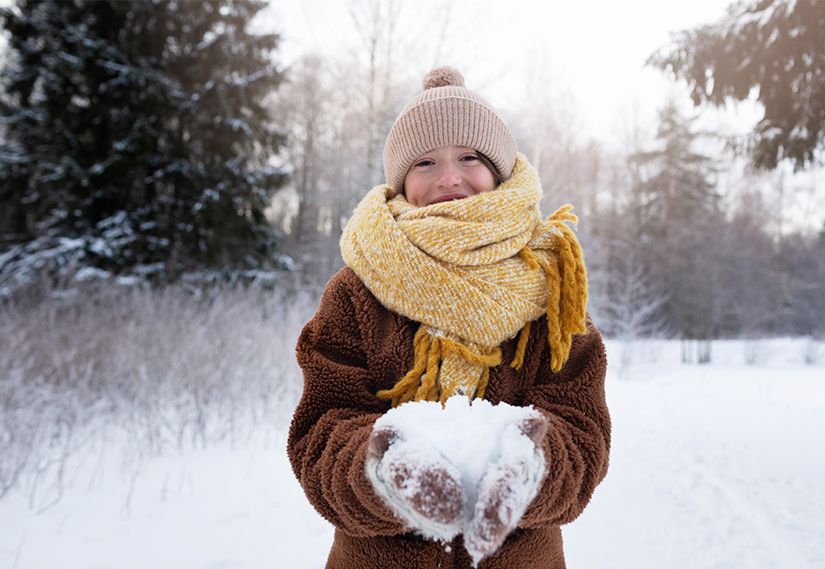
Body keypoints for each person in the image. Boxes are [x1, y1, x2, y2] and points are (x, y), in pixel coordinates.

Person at [287, 66, 610, 569]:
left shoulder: (552, 287)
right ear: (401, 180)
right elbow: (321, 432)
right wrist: (384, 470)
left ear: (499, 170)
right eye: (425, 162)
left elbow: (582, 430)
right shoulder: (356, 291)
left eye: (469, 157)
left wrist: (531, 468)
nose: (449, 178)